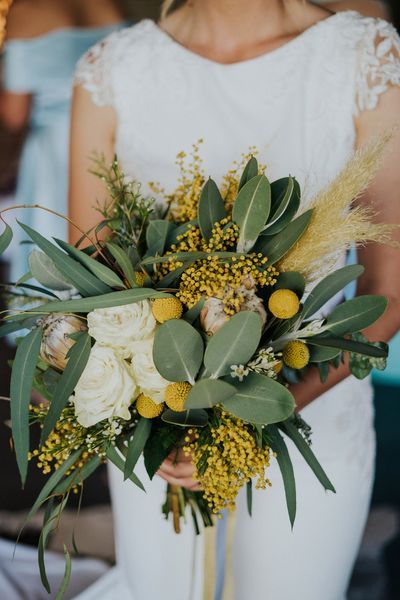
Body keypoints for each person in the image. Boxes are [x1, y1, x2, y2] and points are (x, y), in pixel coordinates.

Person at [69, 1, 400, 599]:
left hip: (312, 411)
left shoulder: (362, 58)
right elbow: (88, 288)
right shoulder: (112, 70)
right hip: (161, 433)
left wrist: (259, 414)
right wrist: (157, 417)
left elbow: (389, 295)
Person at [0, 0, 127, 282]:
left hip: (54, 151)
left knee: (53, 244)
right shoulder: (109, 5)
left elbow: (15, 114)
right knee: (108, 244)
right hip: (110, 142)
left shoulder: (26, 12)